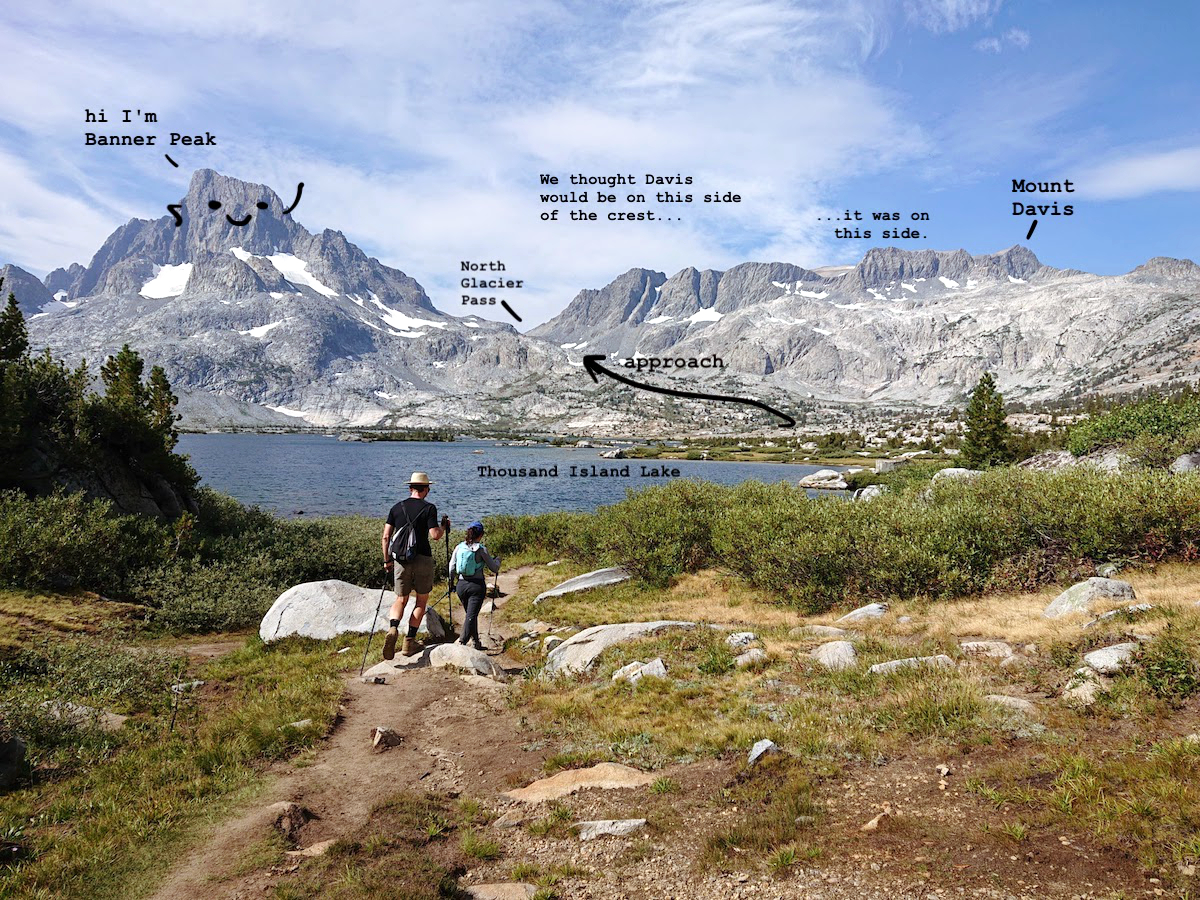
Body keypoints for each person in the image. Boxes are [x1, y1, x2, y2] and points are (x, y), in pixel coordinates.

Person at [381, 472, 449, 659]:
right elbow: (435, 536)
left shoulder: (396, 508)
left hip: (401, 559)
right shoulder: (429, 508)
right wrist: (443, 527)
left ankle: (393, 628)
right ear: (426, 489)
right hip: (423, 558)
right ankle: (409, 642)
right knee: (421, 600)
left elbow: (386, 536)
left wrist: (387, 560)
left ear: (410, 488)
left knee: (401, 598)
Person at [450, 521, 501, 651]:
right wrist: (498, 561)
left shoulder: (459, 547)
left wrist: (452, 583)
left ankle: (476, 642)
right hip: (476, 586)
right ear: (481, 534)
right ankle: (462, 642)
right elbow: (494, 568)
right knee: (471, 616)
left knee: (470, 614)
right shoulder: (481, 549)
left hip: (461, 585)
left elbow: (451, 567)